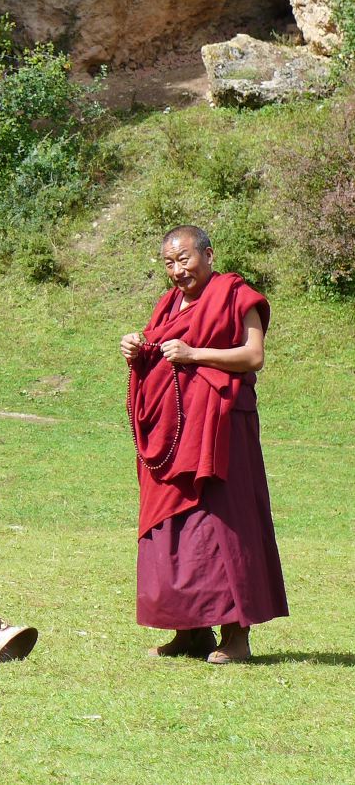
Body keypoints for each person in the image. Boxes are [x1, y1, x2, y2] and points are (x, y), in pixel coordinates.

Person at [121, 225, 288, 663]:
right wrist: (137, 348)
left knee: (223, 523)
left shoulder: (236, 295)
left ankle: (236, 635)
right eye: (169, 263)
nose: (177, 270)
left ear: (208, 255)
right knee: (177, 526)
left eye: (184, 259)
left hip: (221, 425)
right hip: (176, 427)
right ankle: (190, 630)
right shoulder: (168, 304)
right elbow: (162, 350)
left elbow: (253, 356)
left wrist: (195, 354)